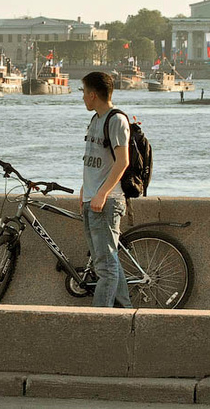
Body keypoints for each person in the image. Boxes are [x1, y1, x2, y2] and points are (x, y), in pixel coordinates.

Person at [79, 71, 132, 308]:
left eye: (83, 93)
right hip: (91, 199)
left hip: (107, 201)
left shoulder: (117, 120)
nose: (82, 98)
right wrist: (85, 189)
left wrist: (102, 193)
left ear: (92, 95)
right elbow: (94, 160)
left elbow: (123, 162)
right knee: (108, 263)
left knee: (105, 268)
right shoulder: (95, 119)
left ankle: (99, 321)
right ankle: (126, 311)